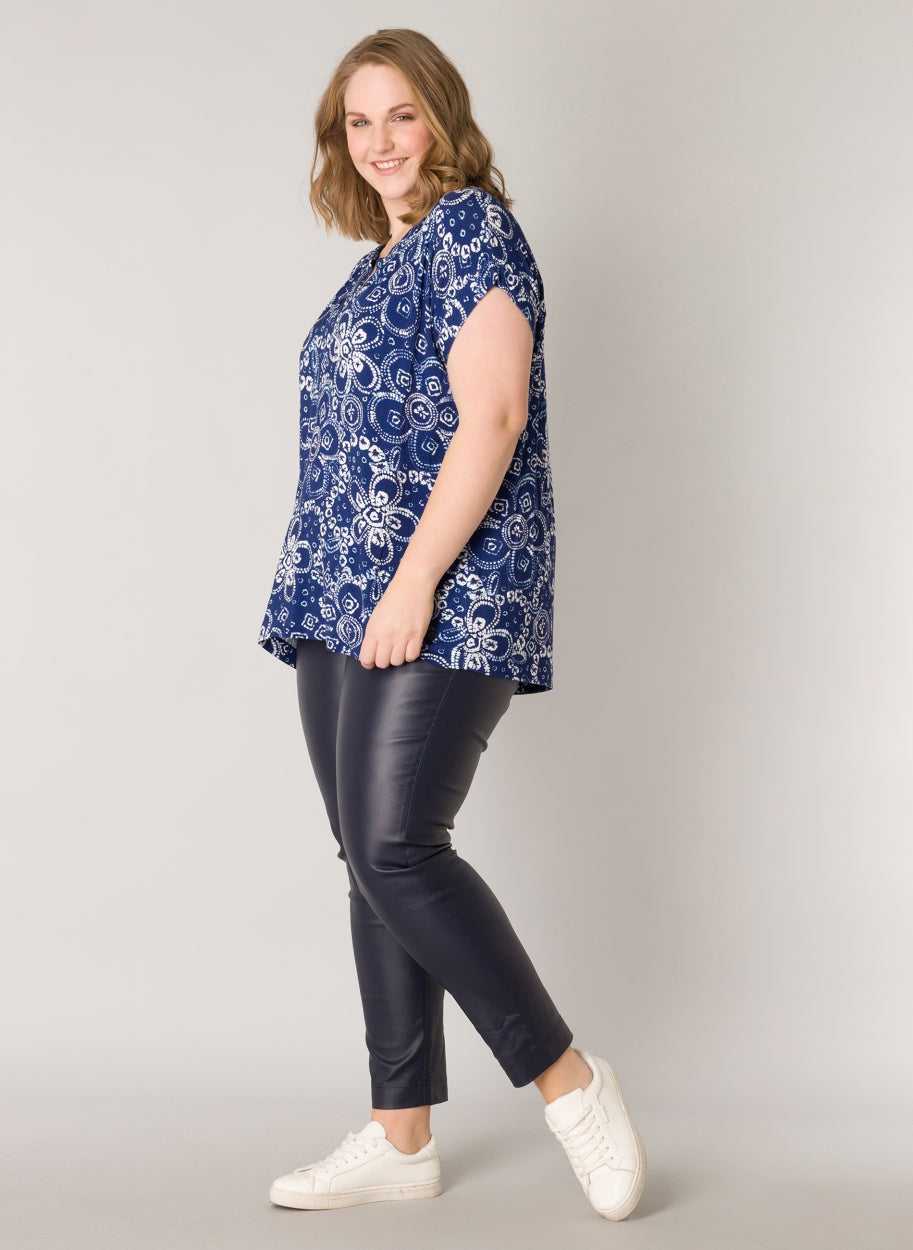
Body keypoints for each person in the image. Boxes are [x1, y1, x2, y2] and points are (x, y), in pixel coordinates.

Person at [258, 28, 646, 1221]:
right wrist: (351, 584)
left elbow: (493, 418)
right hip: (336, 590)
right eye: (357, 122)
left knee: (396, 848)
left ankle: (569, 1080)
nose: (380, 141)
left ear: (441, 118)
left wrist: (414, 580)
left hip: (442, 585)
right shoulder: (375, 264)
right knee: (366, 858)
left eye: (401, 114)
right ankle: (401, 1135)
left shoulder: (473, 230)